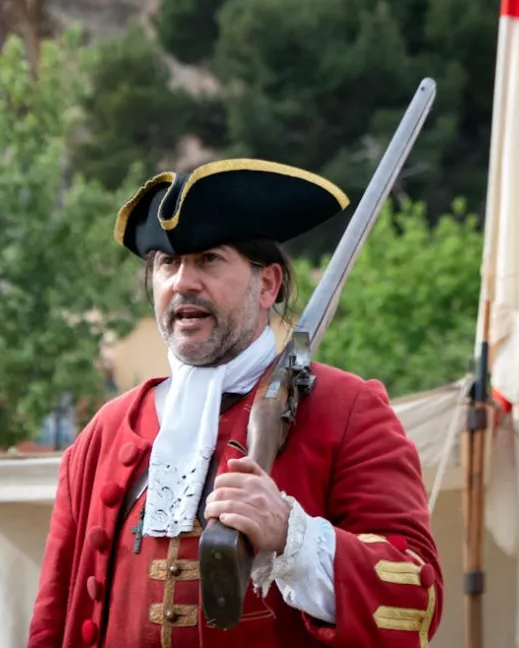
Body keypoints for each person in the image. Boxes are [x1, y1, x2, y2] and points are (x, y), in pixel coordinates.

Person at [26, 158, 443, 647]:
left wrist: (294, 537)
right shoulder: (106, 431)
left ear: (267, 285)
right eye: (168, 264)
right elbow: (53, 621)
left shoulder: (347, 408)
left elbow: (416, 600)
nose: (183, 281)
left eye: (209, 260)